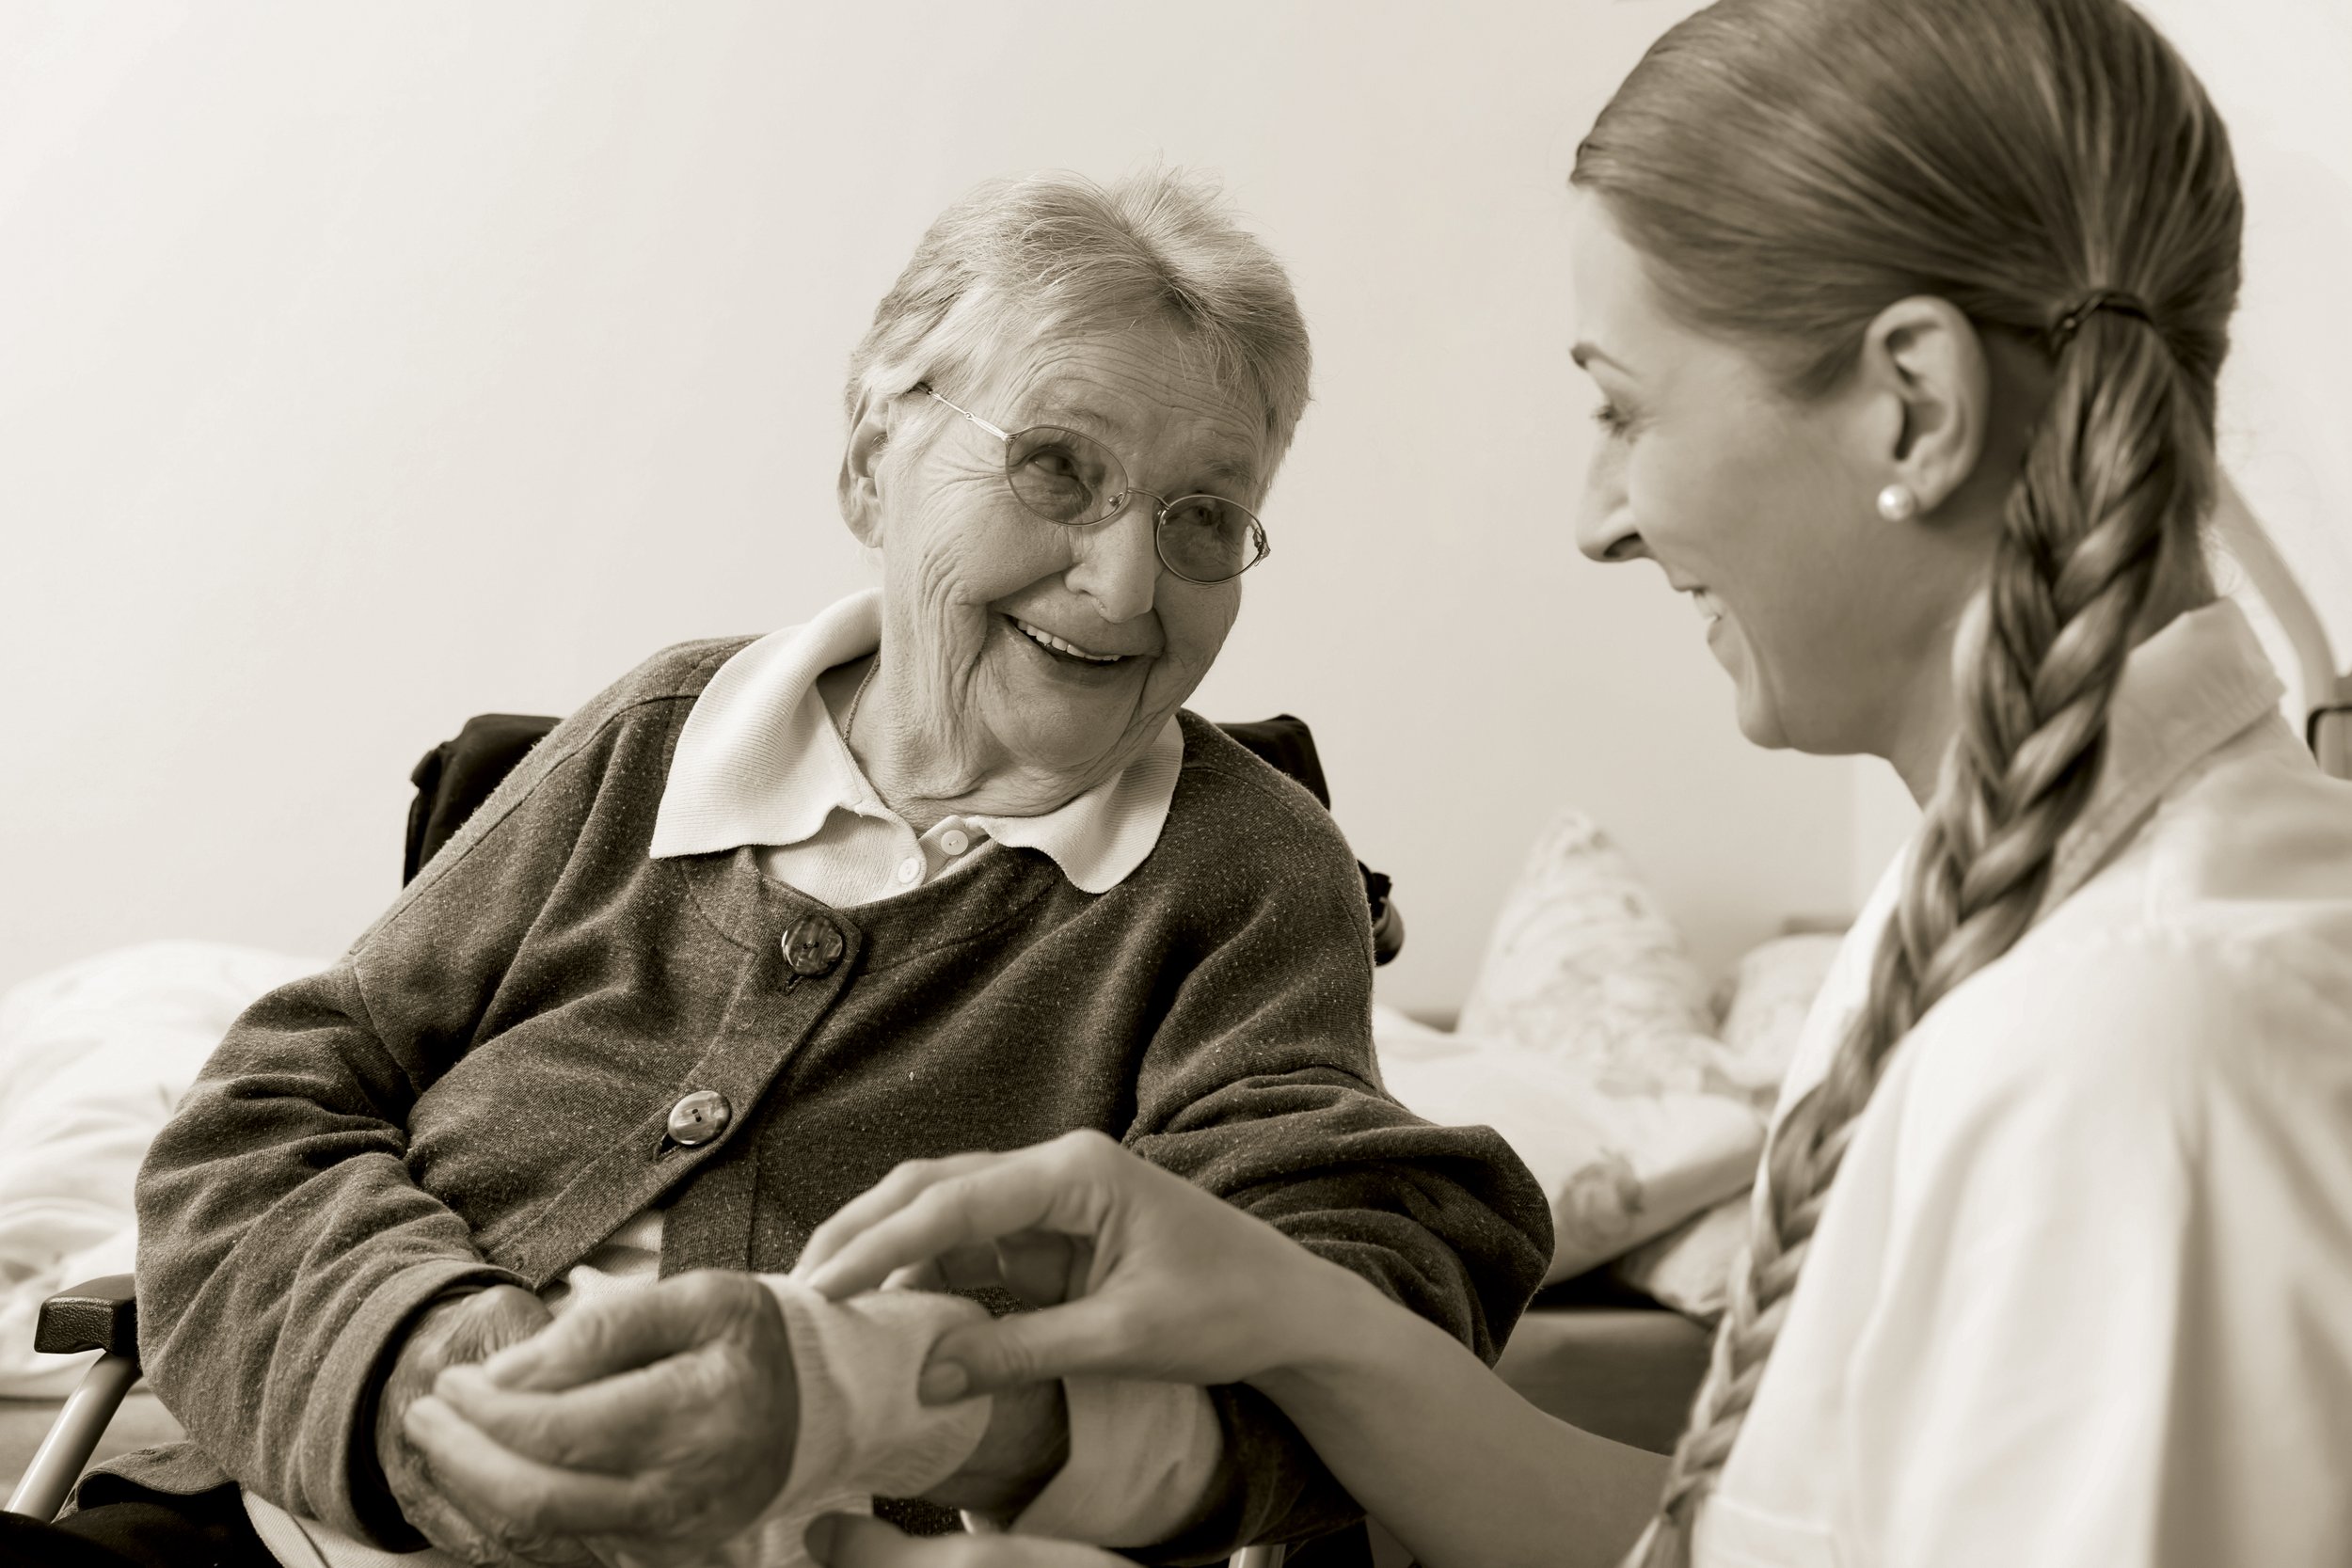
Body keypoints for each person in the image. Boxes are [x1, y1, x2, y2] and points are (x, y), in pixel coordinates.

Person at [607, 1, 2347, 1564]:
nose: (1600, 516)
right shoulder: (2002, 938)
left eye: (1623, 408)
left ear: (1913, 409)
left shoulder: (2145, 1046)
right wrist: (1290, 1315)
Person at [10, 168, 1551, 1568]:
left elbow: (1355, 1291)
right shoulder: (660, 735)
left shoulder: (1246, 870)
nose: (1127, 581)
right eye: (1059, 470)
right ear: (878, 460)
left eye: (1206, 516)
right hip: (293, 1518)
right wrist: (423, 1363)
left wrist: (872, 1403)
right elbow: (268, 1110)